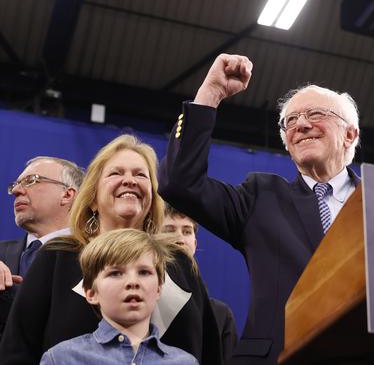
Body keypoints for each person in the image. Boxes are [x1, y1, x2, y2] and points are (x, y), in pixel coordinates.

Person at [158, 53, 361, 364]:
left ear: (350, 134)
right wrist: (211, 92)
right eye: (290, 120)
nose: (302, 124)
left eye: (316, 114)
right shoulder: (260, 197)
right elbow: (179, 183)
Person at [0, 135, 222, 365]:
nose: (129, 181)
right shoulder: (58, 257)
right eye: (116, 173)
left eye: (140, 174)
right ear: (93, 199)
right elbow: (18, 348)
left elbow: (210, 352)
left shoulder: (180, 264)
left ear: (152, 198)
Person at [40, 229, 198, 365]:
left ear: (158, 289)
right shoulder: (62, 359)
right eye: (115, 273)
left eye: (144, 272)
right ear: (91, 293)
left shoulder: (185, 362)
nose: (133, 282)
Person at [0, 157, 83, 338]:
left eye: (31, 180)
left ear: (67, 195)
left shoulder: (95, 259)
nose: (15, 190)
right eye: (16, 184)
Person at [162, 205, 238, 362]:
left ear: (195, 244)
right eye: (169, 230)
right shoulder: (141, 305)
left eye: (187, 231)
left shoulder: (221, 315)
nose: (179, 239)